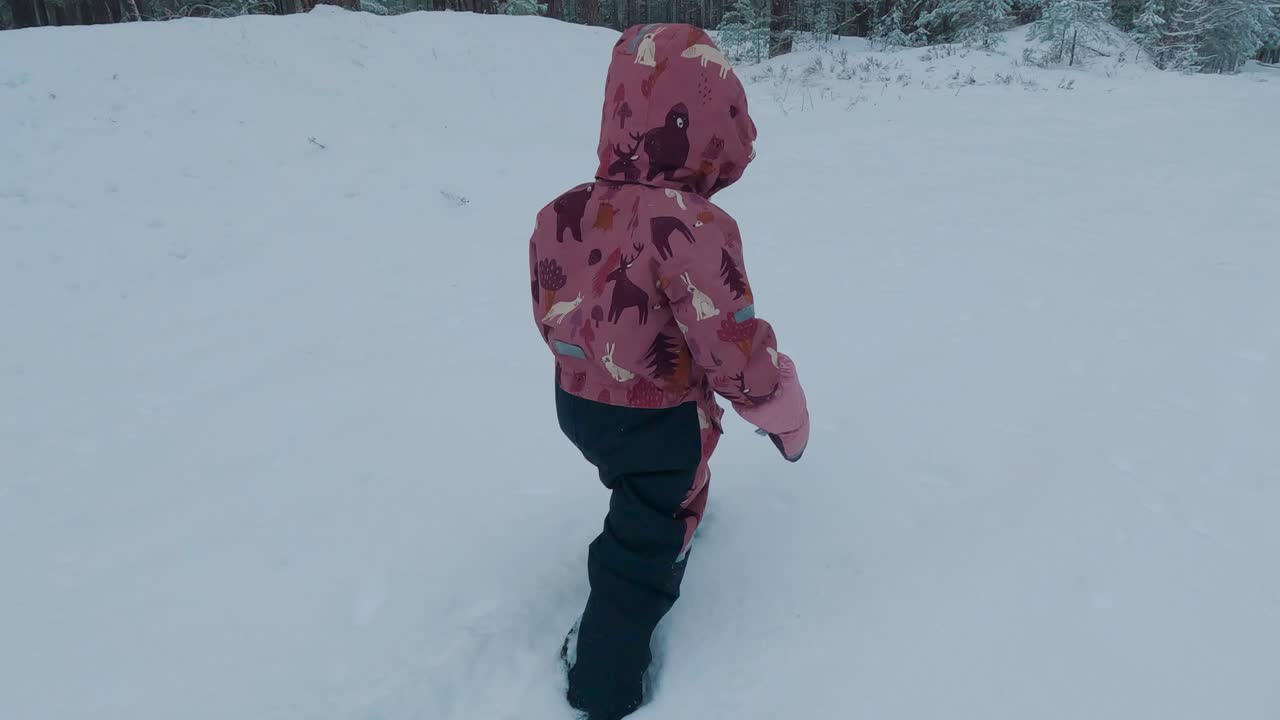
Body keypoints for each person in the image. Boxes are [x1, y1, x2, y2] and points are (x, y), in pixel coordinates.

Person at [527, 23, 810, 720]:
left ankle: (669, 513)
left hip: (578, 402)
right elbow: (729, 343)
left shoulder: (565, 209)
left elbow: (554, 306)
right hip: (655, 418)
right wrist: (780, 405)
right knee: (644, 536)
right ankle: (602, 681)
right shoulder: (692, 225)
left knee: (645, 483)